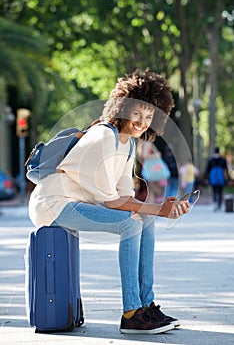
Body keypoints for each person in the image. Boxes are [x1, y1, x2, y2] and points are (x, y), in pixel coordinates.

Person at [28, 68, 190, 335]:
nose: (142, 121)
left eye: (149, 116)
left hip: (78, 204)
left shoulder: (127, 144)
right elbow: (114, 202)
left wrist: (157, 210)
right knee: (131, 224)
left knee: (145, 219)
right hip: (54, 204)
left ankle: (146, 306)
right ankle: (131, 313)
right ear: (122, 108)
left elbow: (125, 197)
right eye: (137, 113)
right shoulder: (104, 136)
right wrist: (161, 209)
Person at [205, 146, 229, 211]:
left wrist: (206, 178)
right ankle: (219, 204)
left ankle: (216, 203)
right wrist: (227, 178)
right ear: (219, 151)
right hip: (220, 176)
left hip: (213, 177)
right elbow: (226, 169)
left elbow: (207, 169)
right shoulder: (223, 159)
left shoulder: (211, 159)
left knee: (214, 190)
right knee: (220, 191)